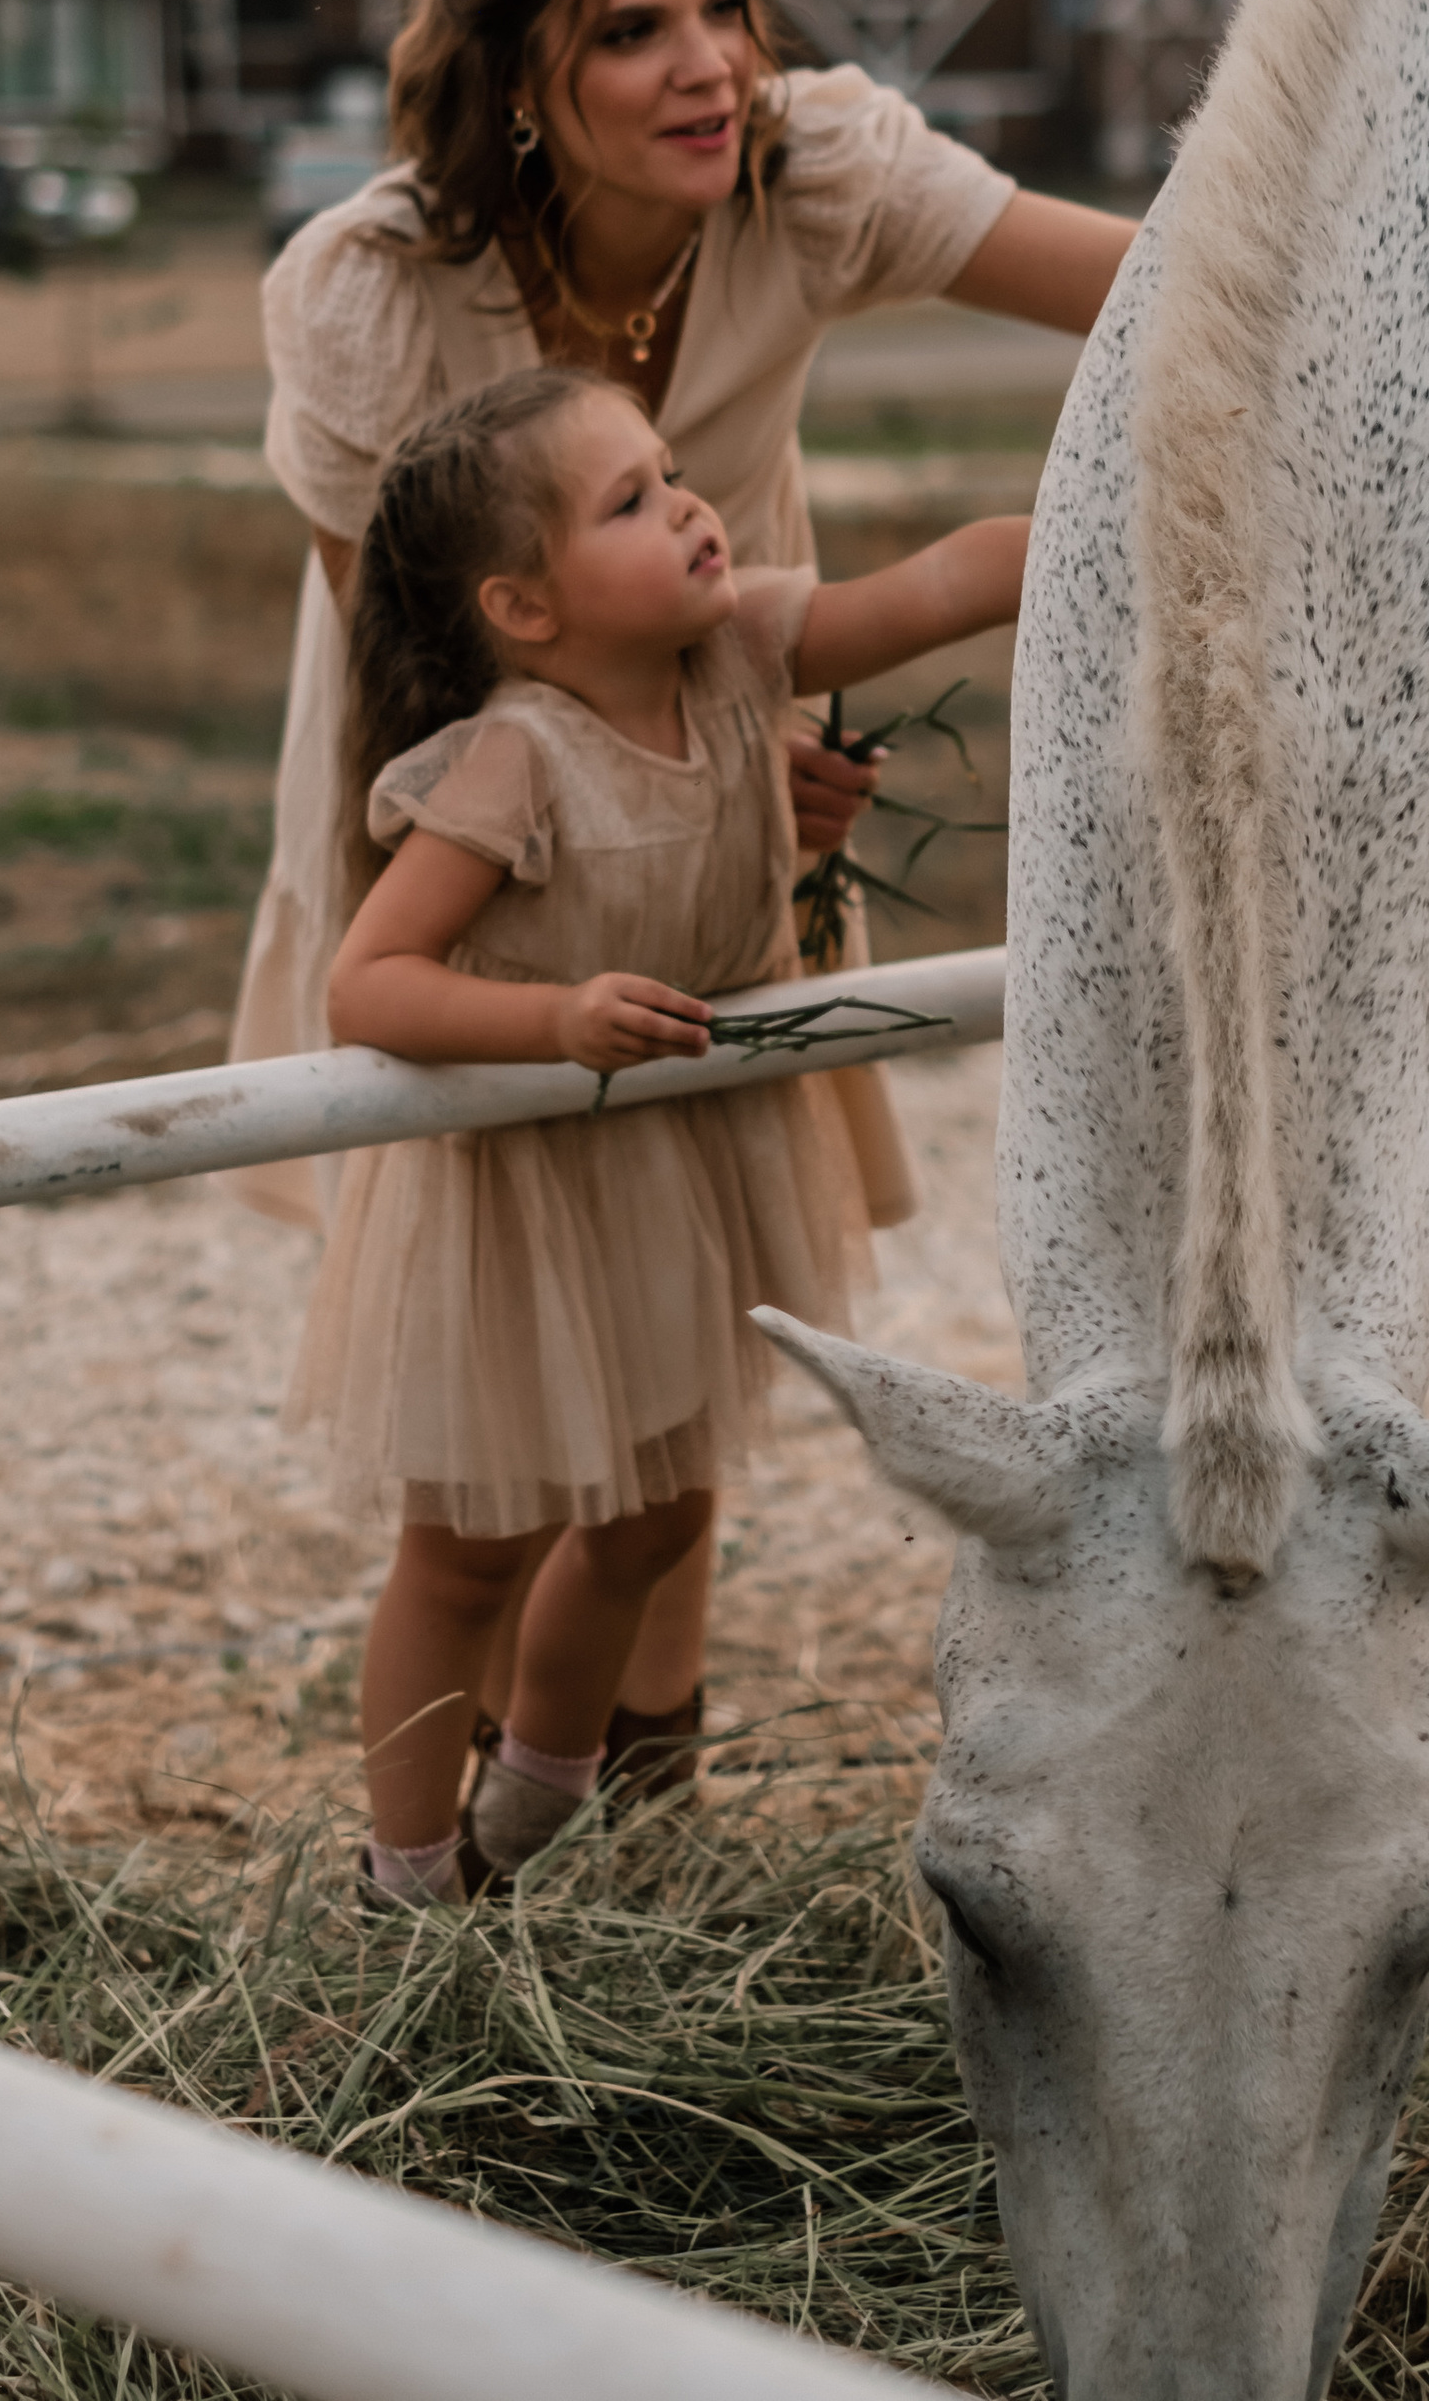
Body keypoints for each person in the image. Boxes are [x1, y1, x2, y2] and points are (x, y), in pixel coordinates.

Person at [239, 0, 1134, 1772]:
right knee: (505, 1363)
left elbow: (1172, 290)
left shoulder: (812, 177)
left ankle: (640, 1786)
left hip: (735, 771)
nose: (710, 65)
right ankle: (441, 1833)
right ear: (517, 73)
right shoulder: (373, 295)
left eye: (725, 6)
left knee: (686, 1328)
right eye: (633, 31)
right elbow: (405, 685)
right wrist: (675, 789)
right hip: (476, 831)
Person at [289, 364, 1029, 1904]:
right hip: (524, 1193)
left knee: (653, 1524)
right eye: (630, 501)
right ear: (524, 607)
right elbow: (372, 980)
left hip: (678, 1168)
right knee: (470, 1550)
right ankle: (406, 1887)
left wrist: (1117, 508)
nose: (690, 507)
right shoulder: (516, 756)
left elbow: (942, 585)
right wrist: (553, 1019)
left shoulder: (740, 649)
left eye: (672, 473)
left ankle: (531, 1821)